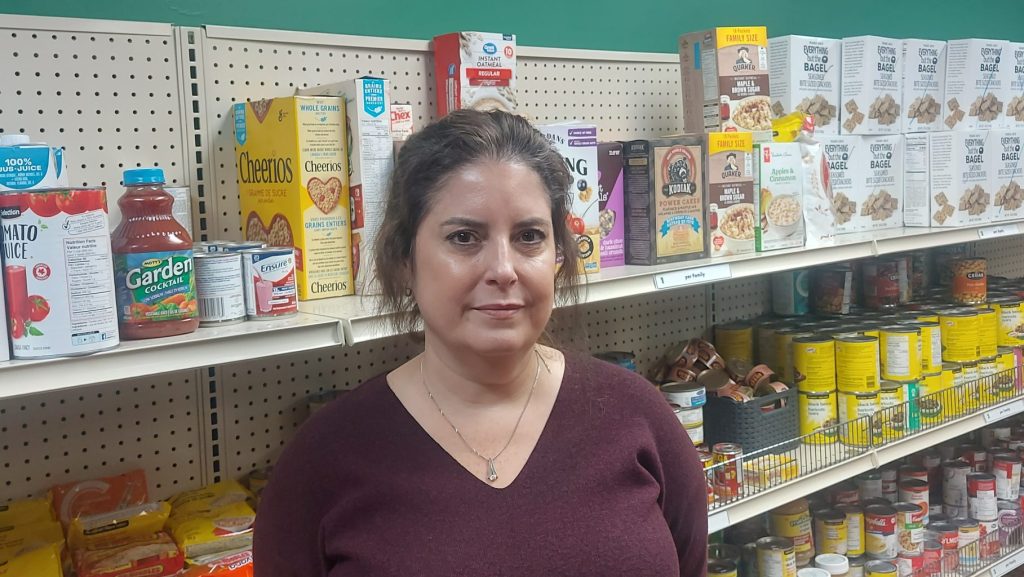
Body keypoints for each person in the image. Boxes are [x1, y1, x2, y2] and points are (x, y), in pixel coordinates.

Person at [253, 109, 708, 577]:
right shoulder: (324, 459)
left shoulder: (639, 417)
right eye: (465, 237)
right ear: (404, 260)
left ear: (558, 254)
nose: (504, 269)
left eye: (529, 237)